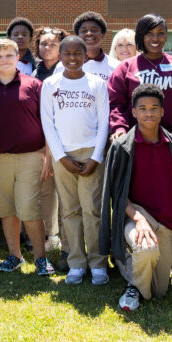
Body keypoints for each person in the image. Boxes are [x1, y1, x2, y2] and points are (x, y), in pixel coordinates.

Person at [108, 13, 172, 284]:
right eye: (150, 33)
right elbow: (115, 102)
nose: (155, 38)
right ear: (140, 37)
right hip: (137, 149)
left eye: (161, 33)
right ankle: (129, 253)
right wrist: (119, 129)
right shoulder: (126, 68)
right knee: (138, 198)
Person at [100, 84, 172, 312]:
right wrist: (139, 219)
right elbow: (117, 196)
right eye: (143, 108)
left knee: (159, 290)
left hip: (166, 224)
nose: (149, 113)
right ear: (133, 112)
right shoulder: (122, 146)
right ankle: (133, 287)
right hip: (135, 216)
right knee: (146, 251)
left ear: (163, 112)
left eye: (154, 108)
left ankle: (130, 270)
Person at [0, 39, 54, 277]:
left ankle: (41, 258)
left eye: (9, 55)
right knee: (6, 209)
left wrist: (48, 157)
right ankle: (14, 256)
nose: (4, 60)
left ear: (18, 57)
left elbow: (48, 123)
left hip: (31, 156)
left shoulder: (34, 85)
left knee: (28, 209)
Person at [40, 37, 110, 286]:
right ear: (60, 56)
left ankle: (98, 263)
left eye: (77, 54)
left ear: (85, 56)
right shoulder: (50, 84)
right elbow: (48, 123)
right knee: (69, 211)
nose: (72, 58)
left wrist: (96, 157)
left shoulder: (96, 84)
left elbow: (104, 123)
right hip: (63, 157)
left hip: (91, 153)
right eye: (67, 53)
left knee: (93, 210)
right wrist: (60, 157)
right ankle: (77, 263)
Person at [31, 26, 65, 256]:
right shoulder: (35, 73)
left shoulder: (69, 70)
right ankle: (50, 235)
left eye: (52, 44)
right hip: (42, 138)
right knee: (46, 189)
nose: (47, 47)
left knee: (66, 190)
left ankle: (68, 235)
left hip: (67, 137)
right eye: (43, 43)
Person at [71, 11, 118, 82]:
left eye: (94, 30)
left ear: (102, 34)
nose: (89, 33)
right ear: (77, 36)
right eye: (84, 30)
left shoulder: (116, 66)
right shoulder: (65, 65)